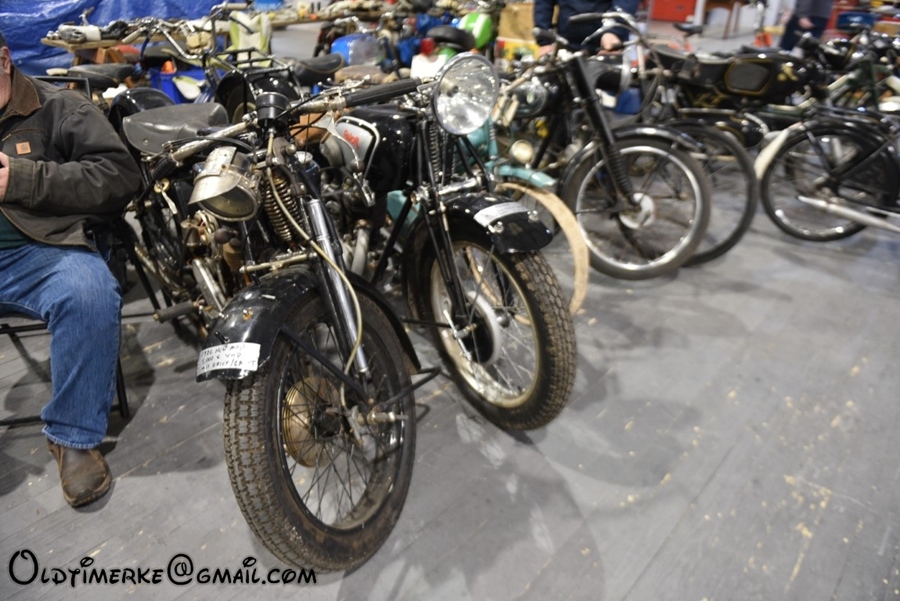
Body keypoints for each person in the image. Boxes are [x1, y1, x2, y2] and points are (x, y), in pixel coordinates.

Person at [0, 31, 141, 507]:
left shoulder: (60, 107)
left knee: (89, 293)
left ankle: (73, 437)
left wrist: (21, 180)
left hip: (39, 251)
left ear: (4, 61)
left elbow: (120, 176)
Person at [533, 0, 639, 52]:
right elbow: (543, 3)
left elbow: (626, 3)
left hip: (604, 48)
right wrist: (544, 42)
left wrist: (613, 32)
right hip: (566, 47)